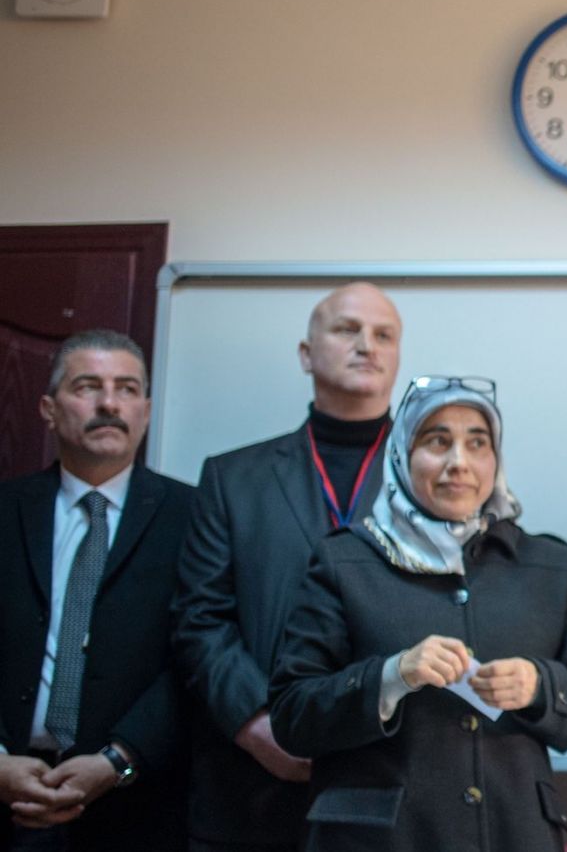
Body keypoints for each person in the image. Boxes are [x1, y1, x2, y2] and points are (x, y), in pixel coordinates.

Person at [268, 375, 567, 850]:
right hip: (377, 839)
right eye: (437, 441)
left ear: (496, 459)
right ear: (403, 454)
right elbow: (292, 715)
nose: (458, 463)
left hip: (515, 834)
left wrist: (538, 686)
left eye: (477, 443)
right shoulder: (345, 561)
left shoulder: (551, 565)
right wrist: (390, 677)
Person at [172, 282, 402, 852]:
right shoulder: (232, 478)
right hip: (253, 784)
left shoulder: (441, 482)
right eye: (347, 329)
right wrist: (259, 722)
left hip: (393, 772)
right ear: (306, 354)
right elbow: (201, 619)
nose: (366, 345)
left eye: (384, 335)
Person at [0, 330, 195, 851]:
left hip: (138, 808)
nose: (110, 403)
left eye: (127, 389)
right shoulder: (5, 509)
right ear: (48, 407)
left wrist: (118, 762)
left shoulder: (195, 518)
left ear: (146, 411)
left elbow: (196, 660)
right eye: (88, 386)